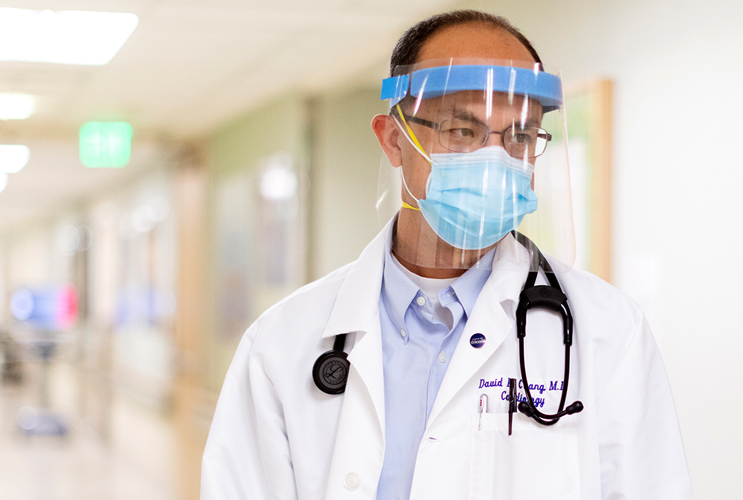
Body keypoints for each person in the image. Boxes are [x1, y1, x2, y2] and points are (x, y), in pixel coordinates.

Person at [201, 10, 693, 500]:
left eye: (519, 136)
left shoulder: (607, 332)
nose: (495, 158)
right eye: (463, 131)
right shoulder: (282, 343)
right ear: (395, 140)